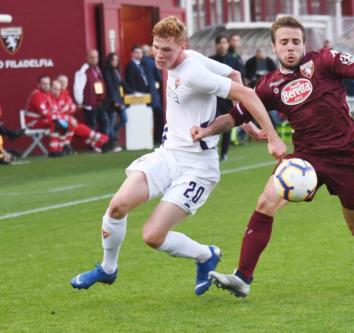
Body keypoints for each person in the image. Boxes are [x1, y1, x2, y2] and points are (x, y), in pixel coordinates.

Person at [191, 16, 354, 298]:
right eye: (284, 42)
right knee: (265, 202)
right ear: (274, 47)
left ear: (304, 44)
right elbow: (236, 114)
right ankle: (243, 278)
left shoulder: (326, 61)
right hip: (306, 158)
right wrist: (206, 130)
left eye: (295, 42)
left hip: (347, 156)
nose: (290, 47)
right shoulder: (270, 85)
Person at [70, 16, 286, 296]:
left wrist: (269, 133)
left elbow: (246, 92)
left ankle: (205, 255)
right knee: (117, 206)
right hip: (169, 154)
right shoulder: (186, 58)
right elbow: (233, 74)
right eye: (156, 47)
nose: (159, 55)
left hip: (198, 167)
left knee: (152, 236)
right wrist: (244, 123)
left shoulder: (194, 71)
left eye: (167, 50)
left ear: (182, 46)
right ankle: (107, 270)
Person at [52, 78, 109, 153]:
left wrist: (71, 110)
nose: (63, 83)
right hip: (61, 123)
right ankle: (98, 142)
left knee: (83, 131)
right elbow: (57, 112)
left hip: (69, 122)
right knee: (77, 128)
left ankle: (97, 143)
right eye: (61, 81)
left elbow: (71, 109)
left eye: (65, 82)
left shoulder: (66, 94)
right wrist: (69, 116)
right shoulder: (53, 96)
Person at [209, 34, 241, 161]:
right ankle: (212, 150)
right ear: (216, 45)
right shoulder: (210, 60)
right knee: (213, 124)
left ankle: (224, 153)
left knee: (228, 124)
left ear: (228, 45)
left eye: (224, 43)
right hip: (215, 98)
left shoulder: (234, 60)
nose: (222, 45)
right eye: (220, 43)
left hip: (229, 97)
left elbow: (239, 77)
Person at [26, 75, 68, 157]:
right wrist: (57, 118)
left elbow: (55, 110)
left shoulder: (48, 95)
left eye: (48, 84)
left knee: (64, 123)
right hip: (33, 122)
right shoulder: (37, 95)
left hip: (43, 120)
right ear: (38, 85)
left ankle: (61, 148)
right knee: (56, 123)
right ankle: (53, 151)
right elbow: (44, 112)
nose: (46, 86)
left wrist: (60, 118)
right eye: (44, 84)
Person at [74, 50, 111, 137]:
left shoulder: (97, 70)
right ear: (87, 58)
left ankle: (104, 143)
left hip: (99, 102)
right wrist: (79, 101)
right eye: (92, 57)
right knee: (91, 125)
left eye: (96, 57)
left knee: (105, 123)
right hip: (89, 104)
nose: (94, 59)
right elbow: (78, 88)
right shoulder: (83, 71)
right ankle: (93, 146)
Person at [103, 52, 128, 151]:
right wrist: (114, 100)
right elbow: (110, 87)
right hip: (112, 101)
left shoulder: (117, 71)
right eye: (113, 60)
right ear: (109, 61)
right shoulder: (107, 72)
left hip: (120, 100)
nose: (115, 62)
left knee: (124, 119)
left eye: (116, 60)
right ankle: (111, 142)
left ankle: (112, 135)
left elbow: (122, 85)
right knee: (110, 121)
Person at [142, 44, 165, 146]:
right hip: (153, 94)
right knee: (159, 116)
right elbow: (160, 78)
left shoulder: (139, 64)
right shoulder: (151, 62)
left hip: (141, 96)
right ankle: (158, 138)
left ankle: (150, 139)